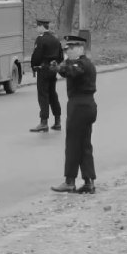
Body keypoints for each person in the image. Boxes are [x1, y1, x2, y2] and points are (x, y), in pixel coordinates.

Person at [51, 35, 98, 194]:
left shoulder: (81, 63)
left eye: (70, 48)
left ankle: (69, 181)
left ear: (80, 49)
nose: (67, 51)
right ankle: (88, 181)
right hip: (86, 105)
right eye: (66, 49)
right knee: (84, 144)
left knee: (72, 144)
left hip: (79, 106)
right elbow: (68, 72)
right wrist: (58, 67)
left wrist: (60, 67)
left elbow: (73, 71)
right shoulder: (82, 62)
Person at [29, 19, 64, 133]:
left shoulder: (41, 39)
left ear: (41, 27)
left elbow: (37, 55)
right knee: (53, 94)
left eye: (37, 27)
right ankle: (57, 121)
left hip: (43, 69)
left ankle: (44, 122)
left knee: (43, 95)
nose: (36, 29)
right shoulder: (55, 39)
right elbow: (61, 56)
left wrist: (34, 65)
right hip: (53, 69)